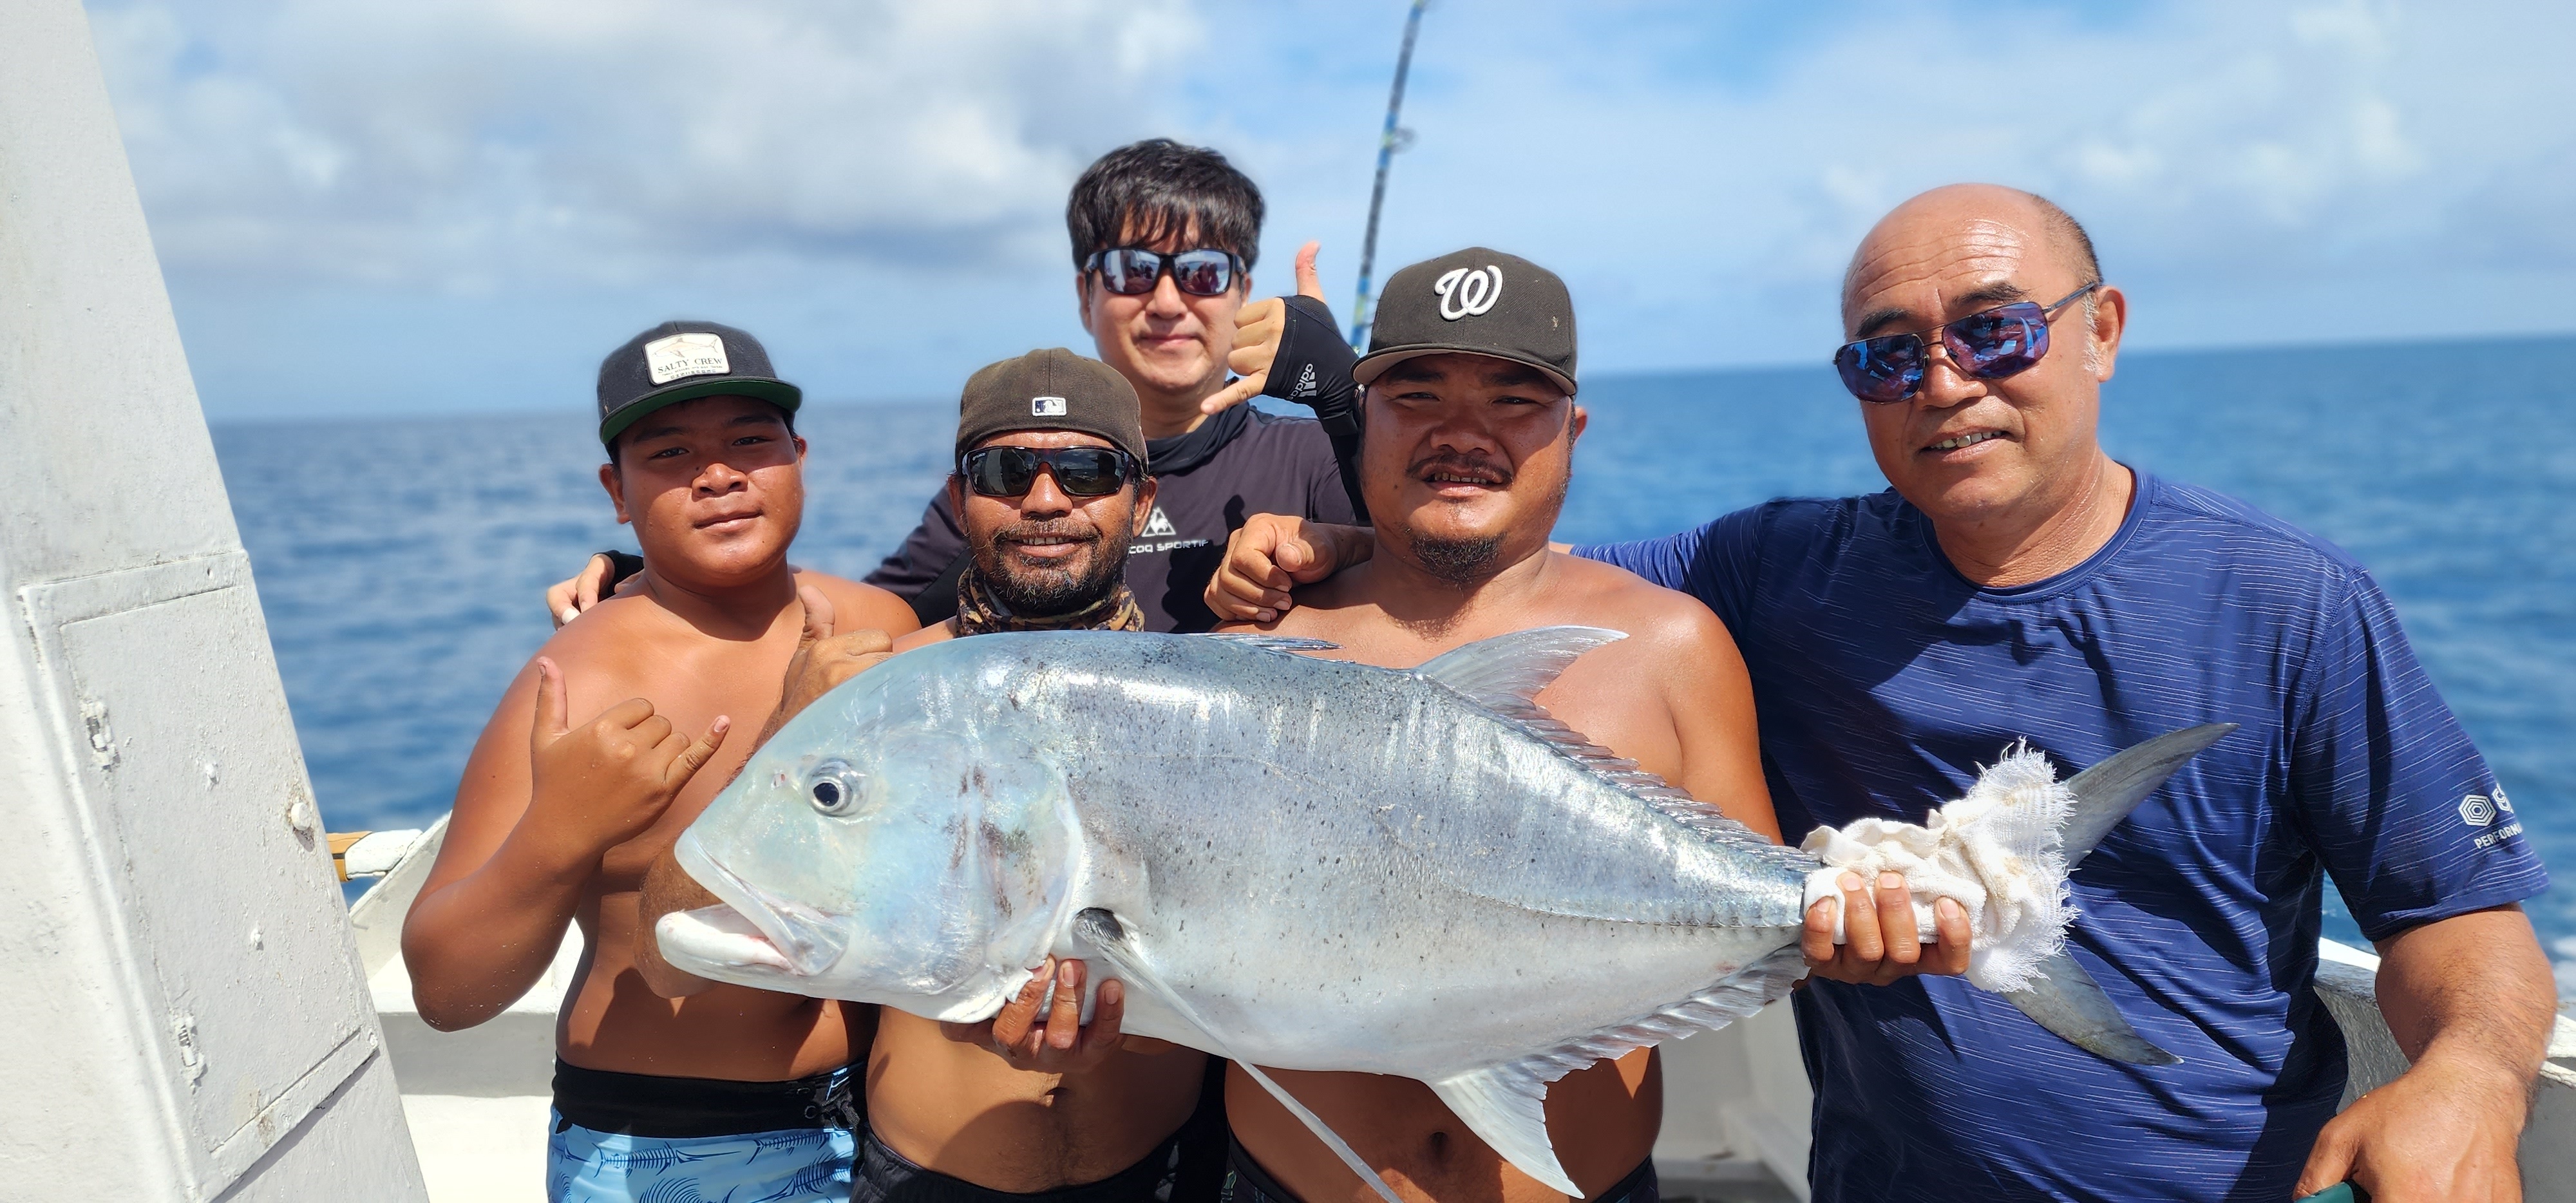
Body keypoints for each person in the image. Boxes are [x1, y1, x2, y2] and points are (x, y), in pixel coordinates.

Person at [1205, 187, 2560, 1202]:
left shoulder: (2285, 600)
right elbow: (1502, 574)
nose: (1945, 383)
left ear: (2100, 332)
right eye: (1887, 354)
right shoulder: (1777, 572)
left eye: (1993, 331)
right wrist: (1333, 544)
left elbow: (2458, 916)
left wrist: (2467, 1075)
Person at [1211, 248, 1784, 1203]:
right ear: (1362, 420)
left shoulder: (1670, 645)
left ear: (1574, 427)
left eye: (1514, 400)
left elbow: (1766, 934)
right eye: (1418, 396)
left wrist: (1868, 924)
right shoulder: (1263, 642)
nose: (1462, 433)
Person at [632, 347, 1235, 1203]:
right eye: (1006, 470)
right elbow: (669, 957)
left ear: (1142, 503)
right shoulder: (878, 697)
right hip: (929, 1178)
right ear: (961, 501)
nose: (1045, 498)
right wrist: (781, 724)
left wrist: (1129, 1031)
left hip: (1169, 1170)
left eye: (1087, 470)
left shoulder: (1209, 708)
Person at [402, 320, 923, 1202]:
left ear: (799, 454)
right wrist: (556, 835)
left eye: (749, 442)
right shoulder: (577, 677)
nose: (716, 475)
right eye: (670, 451)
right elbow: (448, 992)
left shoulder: (883, 628)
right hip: (674, 1146)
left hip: (892, 1128)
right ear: (617, 490)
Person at [547, 138, 1362, 633]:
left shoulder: (1316, 452)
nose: (1168, 299)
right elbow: (866, 618)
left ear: (1242, 290)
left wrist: (1346, 396)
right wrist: (662, 574)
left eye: (1203, 272)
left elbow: (1452, 564)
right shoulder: (1009, 474)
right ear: (1085, 294)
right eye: (1132, 269)